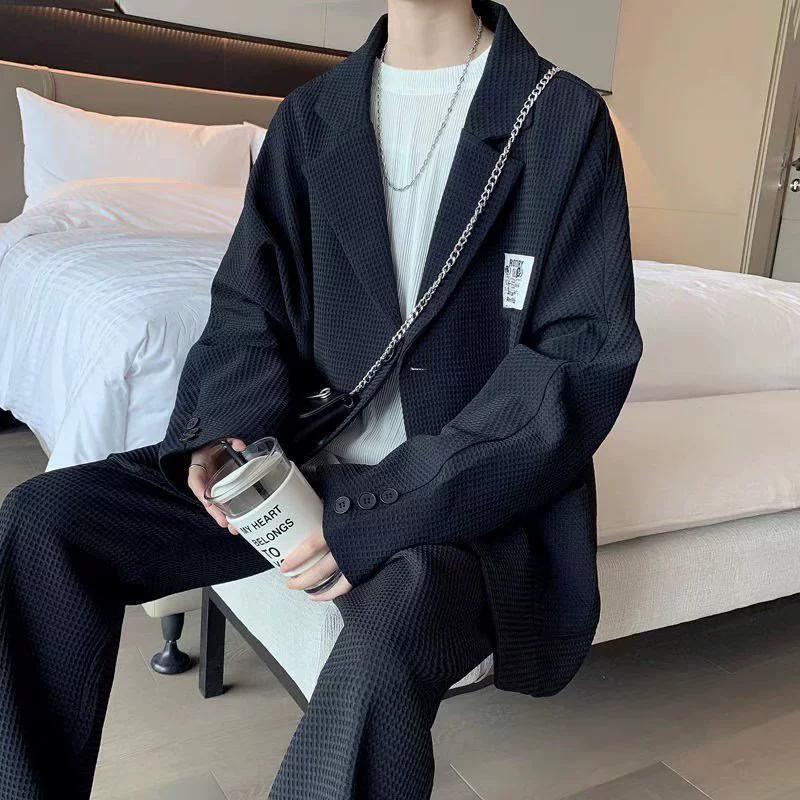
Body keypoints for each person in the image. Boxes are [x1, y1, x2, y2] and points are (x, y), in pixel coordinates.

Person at [0, 0, 642, 798]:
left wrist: (387, 508)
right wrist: (221, 430)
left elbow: (577, 360)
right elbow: (249, 308)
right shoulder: (311, 117)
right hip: (297, 470)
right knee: (43, 520)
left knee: (392, 633)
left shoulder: (560, 116)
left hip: (457, 500)